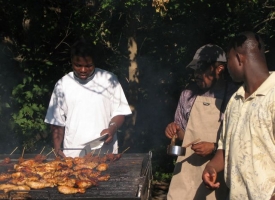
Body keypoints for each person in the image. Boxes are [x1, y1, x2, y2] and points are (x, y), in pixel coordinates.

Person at [202, 32, 275, 200]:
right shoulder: (235, 100)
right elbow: (225, 147)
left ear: (239, 59)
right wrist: (212, 167)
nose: (227, 67)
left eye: (228, 59)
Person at [165, 44, 238, 200]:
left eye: (201, 70)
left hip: (216, 174)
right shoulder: (188, 94)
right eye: (195, 70)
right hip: (185, 172)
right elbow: (183, 136)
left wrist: (213, 148)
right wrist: (175, 131)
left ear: (219, 69)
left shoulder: (235, 97)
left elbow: (240, 141)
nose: (196, 75)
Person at [44, 39, 132, 158]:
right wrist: (57, 148)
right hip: (73, 154)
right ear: (71, 61)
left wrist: (112, 129)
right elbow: (56, 122)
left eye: (88, 66)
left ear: (94, 62)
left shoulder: (108, 80)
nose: (83, 70)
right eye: (78, 65)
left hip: (104, 153)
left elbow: (120, 112)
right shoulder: (63, 84)